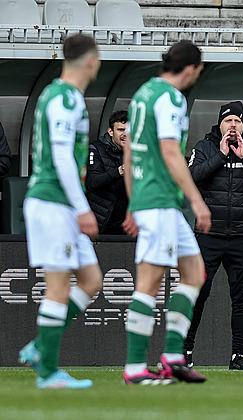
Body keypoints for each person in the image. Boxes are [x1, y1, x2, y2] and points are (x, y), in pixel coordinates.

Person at [122, 40, 211, 385]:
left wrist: (132, 201)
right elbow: (171, 152)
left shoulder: (143, 93)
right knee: (149, 283)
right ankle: (134, 370)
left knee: (194, 273)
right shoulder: (171, 98)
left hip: (151, 200)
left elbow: (130, 154)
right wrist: (197, 201)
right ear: (190, 70)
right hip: (159, 201)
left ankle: (173, 358)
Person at [18, 34, 102, 389]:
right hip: (54, 202)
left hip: (61, 202)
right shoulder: (65, 98)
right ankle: (49, 372)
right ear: (90, 61)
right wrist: (83, 208)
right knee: (57, 286)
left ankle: (41, 347)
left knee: (91, 280)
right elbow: (63, 156)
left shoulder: (61, 95)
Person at [186, 100, 243, 370]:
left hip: (241, 236)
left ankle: (238, 356)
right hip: (208, 236)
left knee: (241, 299)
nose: (233, 125)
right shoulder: (204, 148)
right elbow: (191, 176)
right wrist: (221, 155)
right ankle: (185, 354)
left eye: (237, 121)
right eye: (228, 121)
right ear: (220, 124)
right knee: (198, 295)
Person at [85, 110, 128, 234]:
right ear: (110, 131)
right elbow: (93, 181)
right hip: (102, 220)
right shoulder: (96, 149)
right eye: (120, 130)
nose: (125, 134)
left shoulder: (139, 150)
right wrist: (120, 171)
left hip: (128, 222)